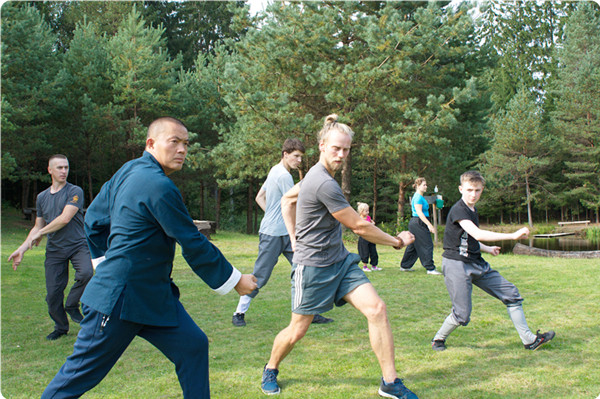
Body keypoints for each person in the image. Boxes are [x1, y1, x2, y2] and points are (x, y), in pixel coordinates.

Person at [41, 117, 257, 398]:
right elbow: (191, 241)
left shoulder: (128, 171)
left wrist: (104, 262)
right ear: (151, 143)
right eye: (174, 142)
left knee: (193, 346)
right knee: (75, 379)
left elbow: (93, 219)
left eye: (186, 144)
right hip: (118, 301)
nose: (182, 150)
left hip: (153, 297)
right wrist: (236, 280)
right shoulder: (158, 185)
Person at [260, 114, 419, 399]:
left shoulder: (316, 176)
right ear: (322, 146)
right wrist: (396, 242)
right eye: (336, 148)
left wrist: (294, 236)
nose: (341, 154)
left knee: (377, 309)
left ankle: (390, 382)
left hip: (340, 262)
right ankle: (271, 368)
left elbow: (288, 200)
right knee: (297, 330)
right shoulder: (322, 182)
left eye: (346, 149)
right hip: (313, 267)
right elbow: (358, 225)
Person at [431, 170, 555, 352]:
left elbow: (469, 239)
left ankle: (529, 340)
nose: (473, 195)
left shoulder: (473, 210)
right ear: (460, 189)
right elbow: (478, 233)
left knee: (512, 295)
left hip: (476, 263)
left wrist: (487, 249)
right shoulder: (458, 210)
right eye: (469, 190)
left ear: (482, 190)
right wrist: (512, 235)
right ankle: (438, 339)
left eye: (478, 190)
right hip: (456, 265)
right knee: (462, 315)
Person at [232, 139, 333, 327]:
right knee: (261, 275)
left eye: (301, 157)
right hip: (273, 235)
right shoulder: (283, 176)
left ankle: (311, 312)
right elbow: (294, 203)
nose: (299, 161)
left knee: (304, 268)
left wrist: (272, 215)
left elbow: (259, 197)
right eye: (296, 156)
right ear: (285, 154)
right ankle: (239, 313)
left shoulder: (274, 171)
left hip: (285, 232)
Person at [8, 154, 93, 341]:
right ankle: (61, 326)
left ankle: (72, 304)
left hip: (78, 244)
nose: (64, 171)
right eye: (60, 168)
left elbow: (65, 218)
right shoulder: (42, 197)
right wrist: (22, 248)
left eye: (66, 167)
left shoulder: (74, 191)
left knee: (86, 273)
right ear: (50, 170)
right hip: (55, 250)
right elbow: (37, 226)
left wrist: (41, 233)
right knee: (53, 293)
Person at [400, 177, 441, 275]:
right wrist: (429, 225)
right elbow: (419, 213)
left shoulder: (420, 197)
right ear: (418, 186)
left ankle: (405, 266)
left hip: (417, 222)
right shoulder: (418, 197)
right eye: (424, 185)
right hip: (418, 222)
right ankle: (430, 268)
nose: (426, 186)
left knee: (413, 246)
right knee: (427, 245)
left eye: (426, 185)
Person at [357, 202, 381, 272]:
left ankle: (374, 265)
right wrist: (370, 224)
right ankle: (365, 266)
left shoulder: (368, 217)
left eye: (368, 210)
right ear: (361, 211)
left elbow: (371, 223)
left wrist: (372, 224)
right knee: (364, 252)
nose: (368, 212)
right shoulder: (359, 219)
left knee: (373, 251)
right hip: (363, 238)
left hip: (371, 237)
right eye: (366, 211)